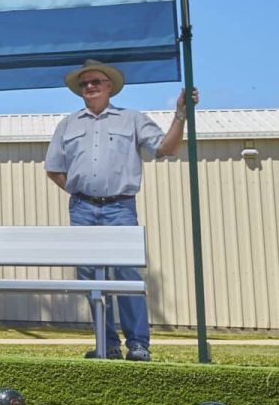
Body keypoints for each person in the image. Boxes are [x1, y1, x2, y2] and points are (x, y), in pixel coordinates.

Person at [44, 60, 197, 362]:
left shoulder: (133, 119)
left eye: (96, 82)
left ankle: (138, 345)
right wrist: (80, 191)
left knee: (126, 277)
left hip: (120, 208)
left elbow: (166, 148)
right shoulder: (67, 124)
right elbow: (54, 169)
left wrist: (181, 114)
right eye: (85, 84)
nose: (90, 87)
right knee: (90, 280)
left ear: (109, 86)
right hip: (82, 210)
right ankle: (106, 345)